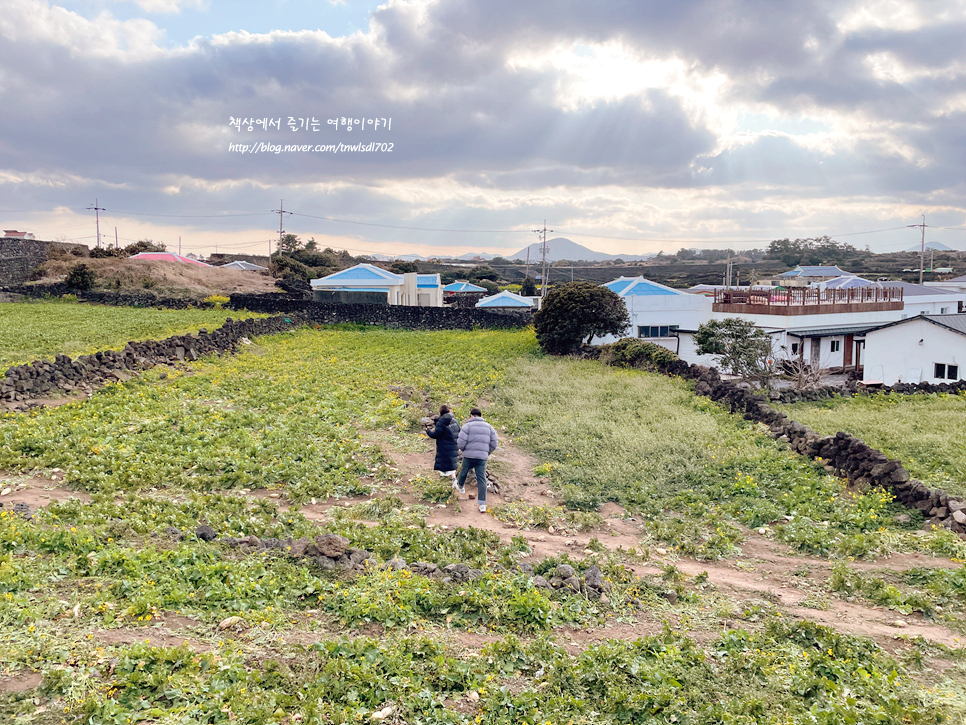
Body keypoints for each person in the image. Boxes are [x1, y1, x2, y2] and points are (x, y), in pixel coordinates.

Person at [455, 407, 499, 513]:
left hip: (469, 456)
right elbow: (494, 442)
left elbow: (460, 442)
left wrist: (464, 450)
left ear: (471, 416)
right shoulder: (489, 427)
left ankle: (461, 487)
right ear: (481, 415)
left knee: (463, 471)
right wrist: (486, 452)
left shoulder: (467, 426)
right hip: (481, 458)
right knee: (482, 479)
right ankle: (482, 504)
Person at [425, 405, 460, 483]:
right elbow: (459, 431)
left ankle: (443, 482)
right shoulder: (454, 421)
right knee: (452, 462)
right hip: (454, 444)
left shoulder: (441, 422)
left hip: (444, 446)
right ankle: (453, 479)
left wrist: (428, 431)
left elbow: (435, 434)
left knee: (443, 463)